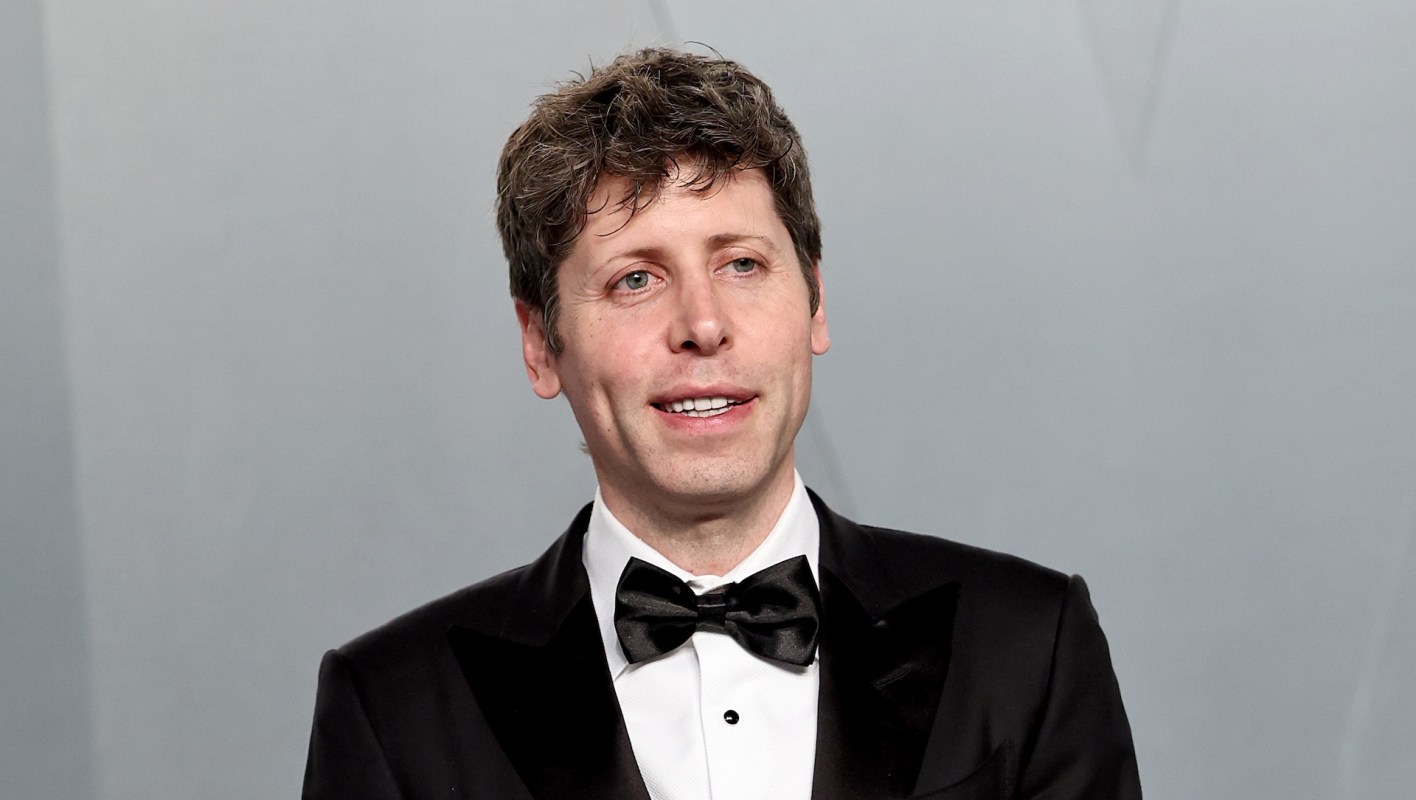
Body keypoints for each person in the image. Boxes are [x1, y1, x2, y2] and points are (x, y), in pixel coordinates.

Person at [302, 47, 1140, 800]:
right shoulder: (393, 708)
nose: (703, 324)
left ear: (814, 301)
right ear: (540, 344)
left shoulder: (1030, 647)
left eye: (742, 264)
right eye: (635, 279)